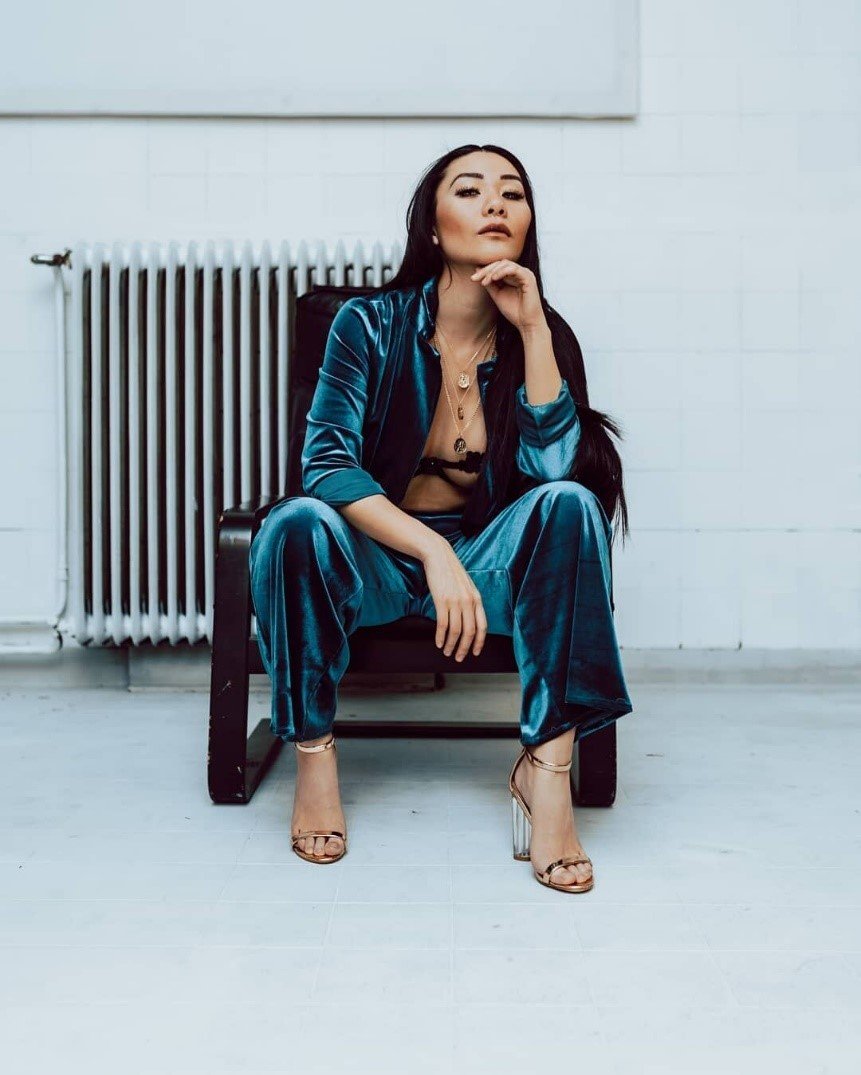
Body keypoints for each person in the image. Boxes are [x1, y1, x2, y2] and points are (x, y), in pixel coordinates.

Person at [250, 144, 634, 893]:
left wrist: (532, 331)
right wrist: (433, 552)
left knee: (570, 504)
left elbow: (555, 476)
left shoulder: (544, 334)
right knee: (295, 521)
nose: (495, 204)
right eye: (470, 190)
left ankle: (546, 775)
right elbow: (326, 465)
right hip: (376, 559)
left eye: (512, 193)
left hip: (486, 563)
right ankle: (315, 758)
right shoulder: (367, 323)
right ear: (430, 225)